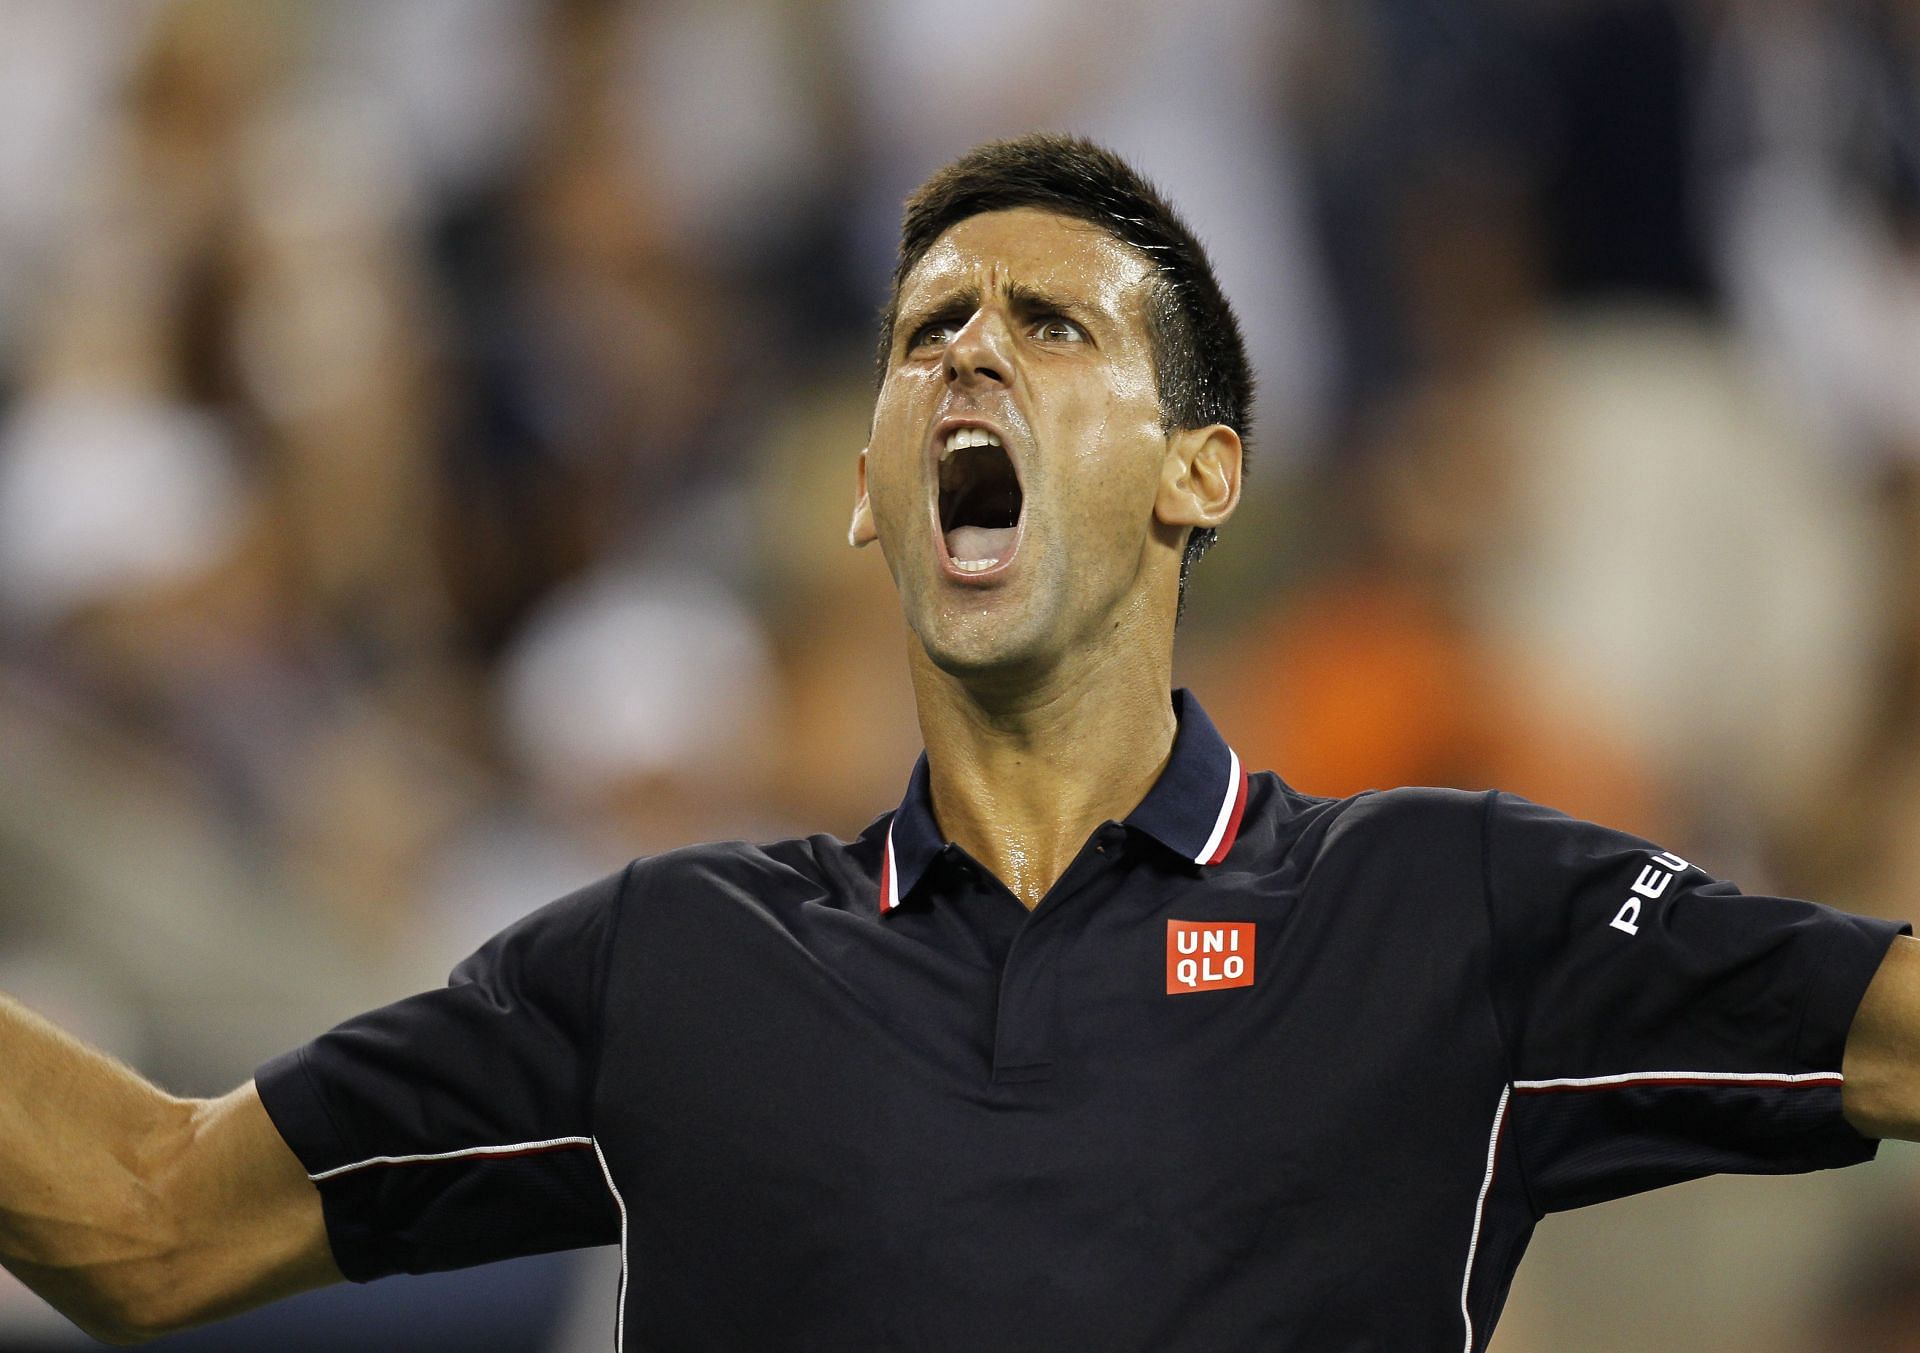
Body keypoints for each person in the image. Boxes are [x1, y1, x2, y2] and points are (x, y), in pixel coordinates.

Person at [2, 132, 1917, 1353]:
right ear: (866, 498)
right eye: (928, 330)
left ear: (1201, 473)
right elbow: (145, 1220)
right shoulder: (665, 965)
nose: (969, 356)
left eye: (1054, 326)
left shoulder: (1446, 905)